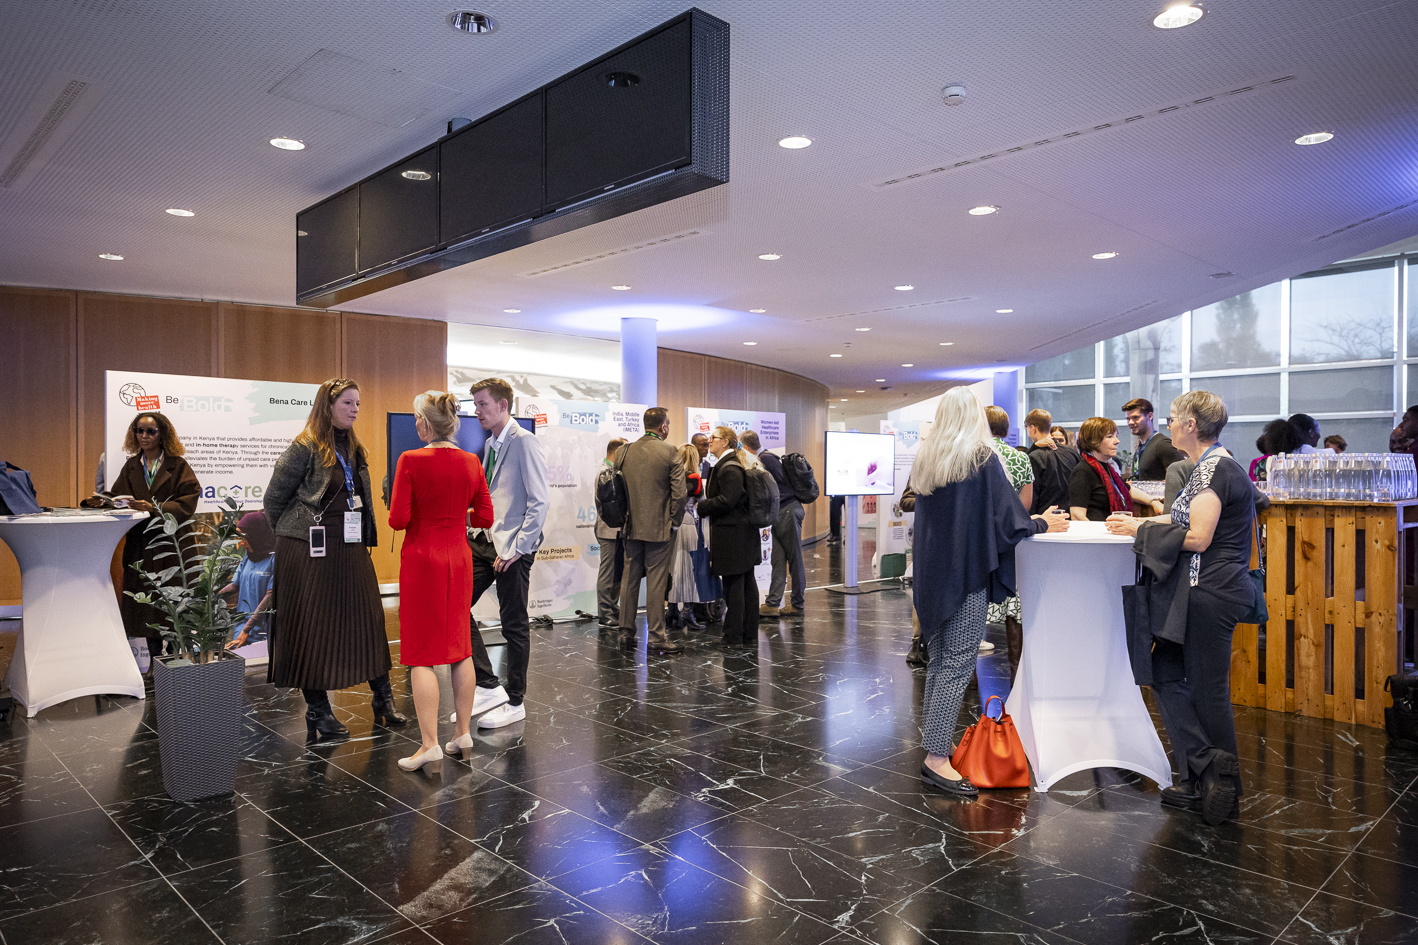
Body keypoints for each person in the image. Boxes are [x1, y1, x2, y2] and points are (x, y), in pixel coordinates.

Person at [1106, 390, 1255, 826]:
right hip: (1199, 591)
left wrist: (1140, 531)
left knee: (1208, 691)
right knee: (1164, 672)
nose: (1168, 424)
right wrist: (1139, 522)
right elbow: (1182, 519)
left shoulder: (1215, 469)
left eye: (1173, 418)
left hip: (1210, 592)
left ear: (1191, 425)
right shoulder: (1206, 467)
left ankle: (1220, 787)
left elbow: (1198, 537)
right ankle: (1203, 769)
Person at [911, 388, 1068, 796]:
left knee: (941, 661)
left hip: (933, 574)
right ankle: (936, 760)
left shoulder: (928, 459)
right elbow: (1008, 522)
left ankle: (936, 745)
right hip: (966, 574)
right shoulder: (980, 458)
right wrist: (1042, 523)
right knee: (957, 663)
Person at [265, 378, 406, 740]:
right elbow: (273, 501)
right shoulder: (304, 446)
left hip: (349, 544)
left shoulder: (354, 447)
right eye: (347, 403)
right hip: (307, 550)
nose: (355, 409)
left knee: (369, 618)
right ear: (326, 407)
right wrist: (296, 533)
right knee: (312, 626)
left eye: (357, 403)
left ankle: (383, 699)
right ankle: (318, 711)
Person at [387, 392, 495, 770]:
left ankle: (430, 744)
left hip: (422, 561)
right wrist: (455, 515)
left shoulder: (410, 460)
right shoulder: (471, 462)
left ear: (424, 423)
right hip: (459, 559)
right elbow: (484, 517)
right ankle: (462, 733)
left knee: (422, 656)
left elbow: (398, 519)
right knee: (460, 648)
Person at [463, 377, 549, 729]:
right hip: (485, 542)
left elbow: (539, 501)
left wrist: (518, 548)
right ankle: (488, 685)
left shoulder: (524, 441)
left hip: (513, 548)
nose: (477, 411)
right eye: (475, 405)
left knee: (514, 623)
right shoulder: (491, 444)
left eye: (482, 404)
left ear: (502, 405)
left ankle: (515, 700)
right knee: (455, 605)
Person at [84, 412, 200, 668]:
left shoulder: (178, 465)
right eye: (139, 431)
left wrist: (154, 507)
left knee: (172, 606)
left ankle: (176, 663)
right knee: (146, 609)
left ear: (162, 434)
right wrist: (103, 502)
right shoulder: (132, 466)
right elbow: (119, 496)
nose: (144, 436)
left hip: (172, 545)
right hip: (142, 546)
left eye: (150, 431)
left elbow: (188, 502)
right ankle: (154, 666)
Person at [615, 407, 688, 654]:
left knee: (629, 579)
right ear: (663, 426)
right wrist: (674, 522)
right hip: (660, 528)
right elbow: (679, 494)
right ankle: (656, 637)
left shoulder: (624, 451)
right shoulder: (670, 451)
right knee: (656, 583)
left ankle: (625, 634)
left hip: (630, 527)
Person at [697, 426, 762, 648]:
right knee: (745, 585)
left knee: (735, 587)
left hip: (733, 536)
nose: (709, 441)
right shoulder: (735, 462)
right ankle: (748, 636)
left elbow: (728, 499)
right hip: (742, 534)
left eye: (713, 438)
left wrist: (702, 507)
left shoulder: (729, 467)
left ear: (725, 442)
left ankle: (734, 637)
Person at [985, 406, 1033, 680]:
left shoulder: (973, 457)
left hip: (981, 543)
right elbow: (1024, 506)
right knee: (1014, 609)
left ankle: (971, 679)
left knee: (976, 603)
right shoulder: (1020, 458)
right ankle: (1016, 674)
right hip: (1012, 543)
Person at [742, 430, 805, 620]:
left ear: (746, 448)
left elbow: (778, 488)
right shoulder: (767, 458)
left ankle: (797, 604)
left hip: (787, 511)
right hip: (781, 513)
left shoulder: (766, 460)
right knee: (777, 559)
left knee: (795, 559)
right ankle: (773, 603)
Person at [1069, 416, 1165, 521]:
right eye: (1110, 436)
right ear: (1093, 441)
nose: (1117, 441)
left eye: (1116, 436)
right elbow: (1077, 516)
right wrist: (1098, 531)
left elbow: (1128, 490)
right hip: (1100, 530)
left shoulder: (1106, 468)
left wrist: (1153, 502)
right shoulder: (1083, 471)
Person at [666, 443, 707, 631]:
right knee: (690, 570)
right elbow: (703, 503)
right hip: (688, 523)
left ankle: (671, 611)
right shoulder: (694, 478)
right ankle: (687, 613)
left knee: (673, 569)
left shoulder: (669, 477)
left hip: (670, 525)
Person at [222, 511, 276, 650]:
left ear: (257, 536)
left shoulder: (273, 559)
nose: (241, 543)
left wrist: (247, 629)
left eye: (244, 537)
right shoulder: (248, 556)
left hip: (262, 629)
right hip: (242, 627)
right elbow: (235, 585)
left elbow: (270, 596)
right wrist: (210, 595)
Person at [593, 437, 628, 631]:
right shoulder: (605, 472)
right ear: (616, 452)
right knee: (608, 572)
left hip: (617, 530)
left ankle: (612, 608)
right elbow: (609, 506)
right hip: (609, 530)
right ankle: (605, 612)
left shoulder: (613, 471)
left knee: (617, 571)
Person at [1023, 408, 1079, 515]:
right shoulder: (1071, 452)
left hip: (1045, 517)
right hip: (1070, 515)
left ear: (1033, 429)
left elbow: (1032, 496)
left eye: (1027, 428)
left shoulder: (1034, 457)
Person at [1123, 397, 1185, 480]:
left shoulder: (1162, 445)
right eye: (1128, 419)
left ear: (1150, 416)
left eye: (1135, 417)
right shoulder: (1140, 446)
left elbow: (1180, 479)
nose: (1130, 422)